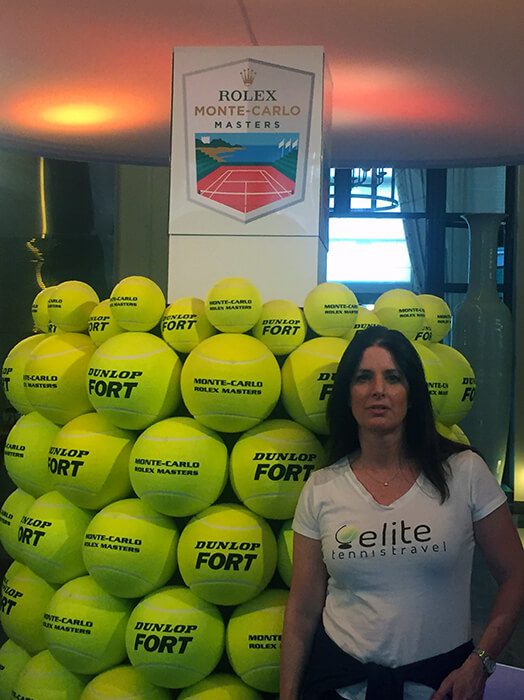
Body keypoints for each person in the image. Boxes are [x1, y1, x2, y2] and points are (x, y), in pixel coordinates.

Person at [280, 325, 524, 700]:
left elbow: (516, 574)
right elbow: (302, 610)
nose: (378, 390)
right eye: (364, 378)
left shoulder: (465, 472)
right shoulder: (321, 487)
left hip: (441, 686)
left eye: (393, 377)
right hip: (339, 686)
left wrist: (481, 663)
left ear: (412, 394)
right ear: (347, 394)